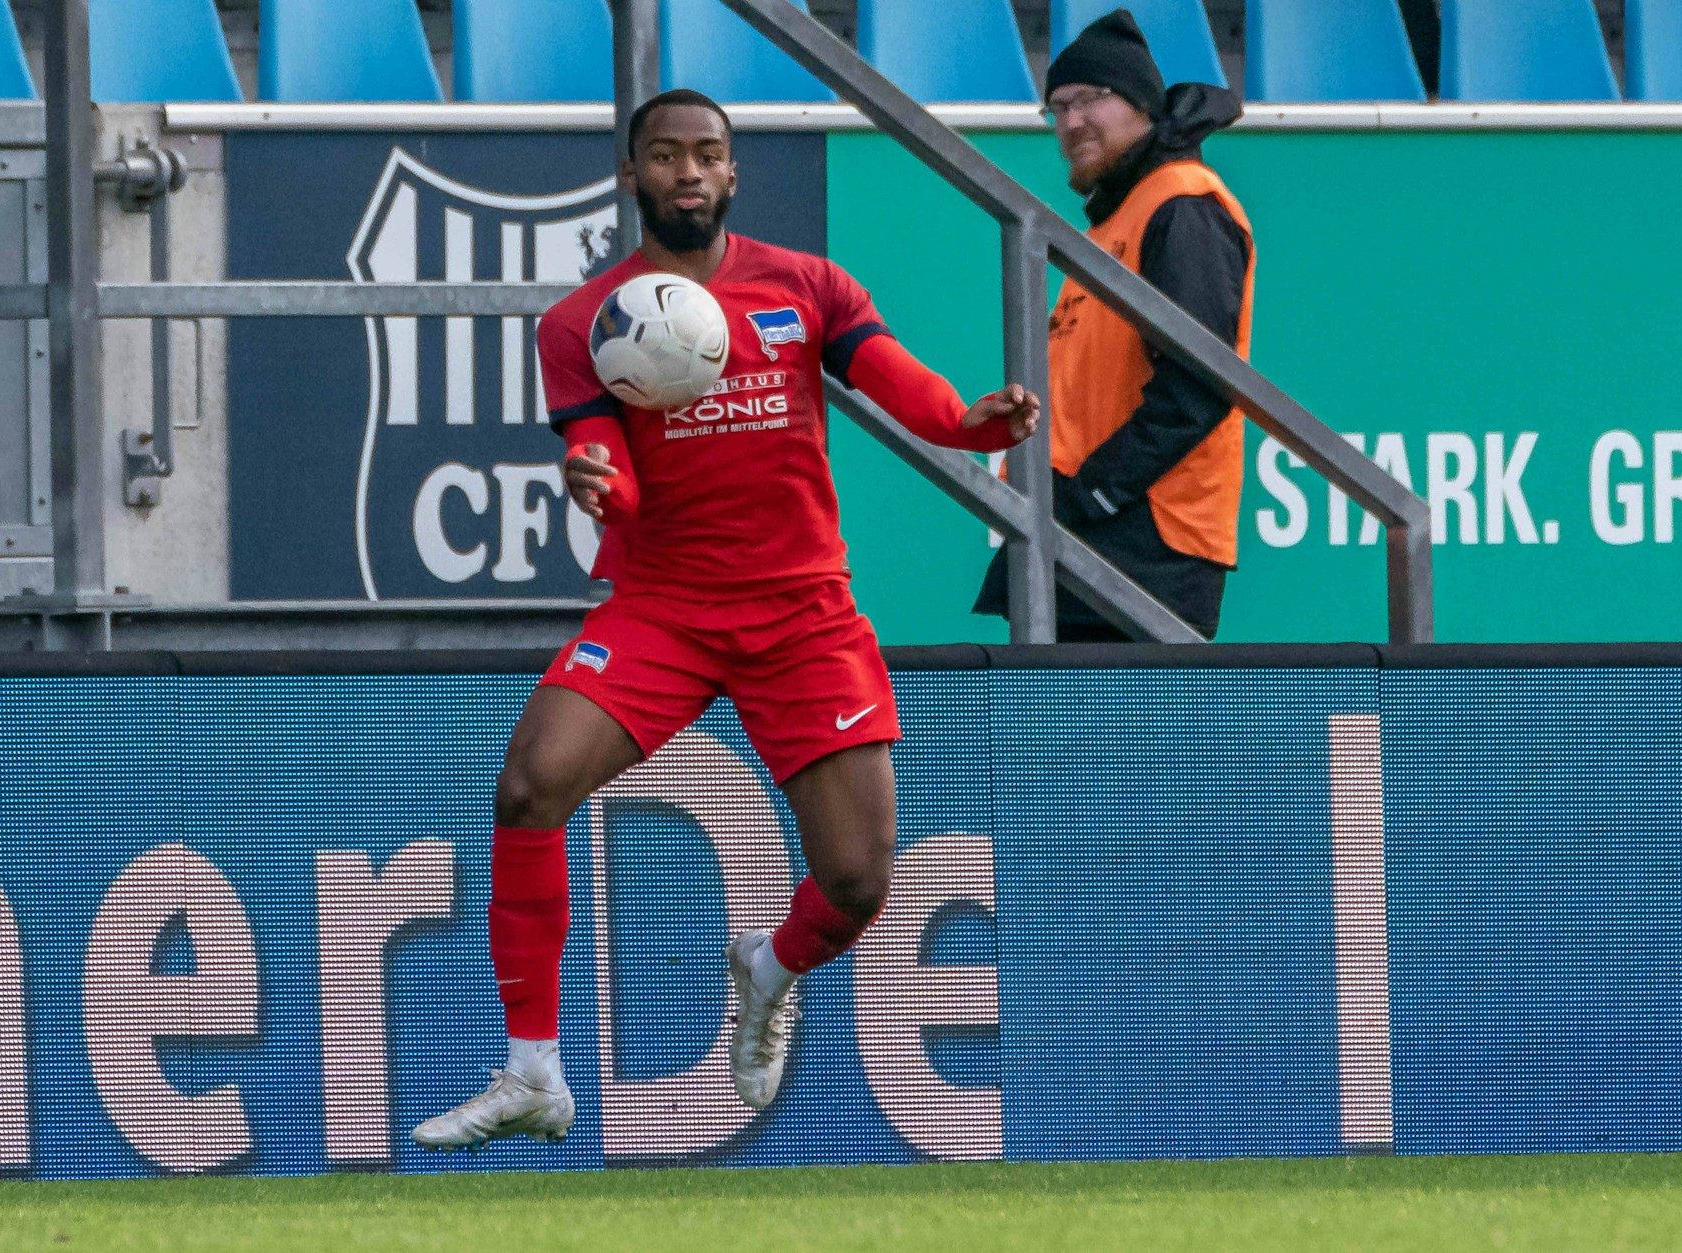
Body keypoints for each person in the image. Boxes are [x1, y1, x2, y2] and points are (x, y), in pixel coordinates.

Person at [410, 89, 1040, 1150]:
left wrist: (964, 419)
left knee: (855, 879)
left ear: (732, 173)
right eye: (665, 156)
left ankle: (770, 965)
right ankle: (531, 1069)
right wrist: (594, 478)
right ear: (631, 173)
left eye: (706, 155)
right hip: (663, 605)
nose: (687, 172)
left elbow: (898, 385)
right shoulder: (584, 324)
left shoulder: (804, 285)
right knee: (529, 783)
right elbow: (611, 462)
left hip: (801, 611)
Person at [975, 8, 1253, 641]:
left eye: (1091, 99)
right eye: (1058, 107)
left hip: (1144, 533)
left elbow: (1197, 388)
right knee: (1056, 734)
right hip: (1096, 521)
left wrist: (1093, 494)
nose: (1072, 122)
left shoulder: (1182, 203)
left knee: (1111, 735)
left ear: (1142, 105)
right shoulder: (1114, 222)